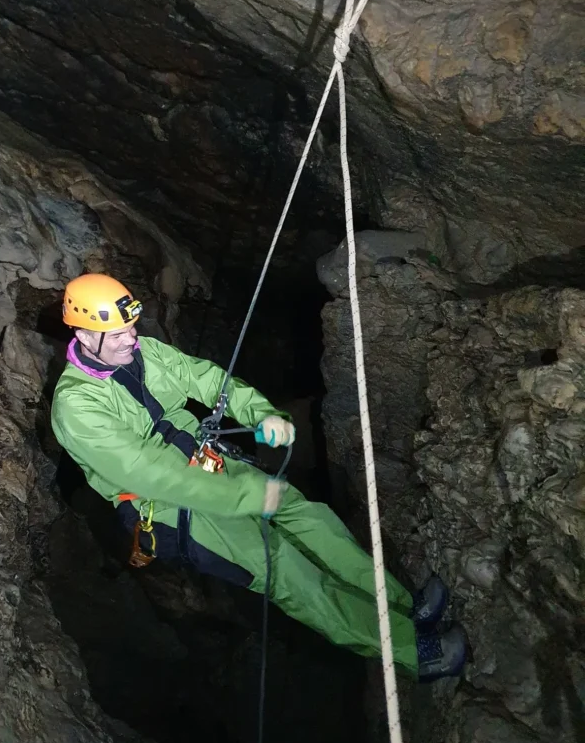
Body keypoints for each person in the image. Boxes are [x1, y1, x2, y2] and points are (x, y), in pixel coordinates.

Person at [51, 273, 467, 681]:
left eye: (131, 326)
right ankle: (417, 653)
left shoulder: (144, 352)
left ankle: (401, 604)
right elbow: (151, 474)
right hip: (170, 505)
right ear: (85, 336)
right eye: (118, 333)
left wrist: (261, 412)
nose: (131, 337)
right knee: (290, 573)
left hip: (206, 459)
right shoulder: (76, 406)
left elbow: (205, 378)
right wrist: (243, 496)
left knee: (309, 517)